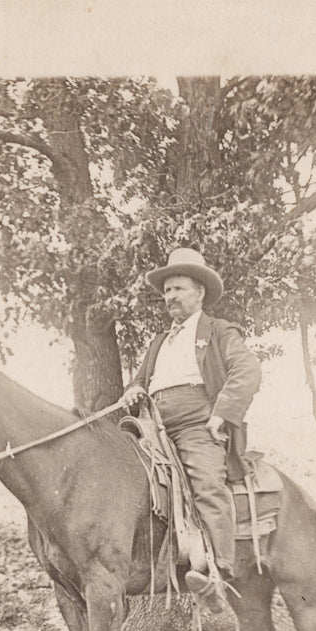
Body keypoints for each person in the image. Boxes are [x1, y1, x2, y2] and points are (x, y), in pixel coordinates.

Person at [121, 247, 261, 611]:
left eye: (178, 289)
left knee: (207, 484)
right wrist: (134, 388)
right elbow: (138, 381)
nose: (170, 297)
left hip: (197, 422)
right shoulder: (158, 342)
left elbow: (247, 370)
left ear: (199, 292)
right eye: (167, 291)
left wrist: (222, 414)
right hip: (151, 425)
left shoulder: (218, 331)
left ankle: (220, 575)